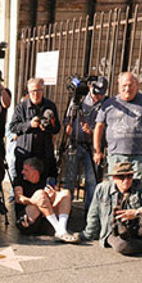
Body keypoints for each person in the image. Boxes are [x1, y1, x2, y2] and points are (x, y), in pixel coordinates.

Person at [62, 76, 109, 211]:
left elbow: (108, 129)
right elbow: (68, 117)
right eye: (96, 93)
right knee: (70, 178)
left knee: (91, 181)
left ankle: (90, 212)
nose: (97, 97)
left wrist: (92, 131)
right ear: (90, 87)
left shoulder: (106, 104)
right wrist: (68, 126)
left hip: (93, 147)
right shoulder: (79, 99)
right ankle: (66, 209)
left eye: (101, 94)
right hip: (75, 143)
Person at [10, 77, 60, 180]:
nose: (36, 94)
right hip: (26, 152)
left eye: (38, 91)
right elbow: (13, 127)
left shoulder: (50, 106)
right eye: (33, 91)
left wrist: (47, 127)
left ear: (43, 90)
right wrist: (29, 124)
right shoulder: (21, 107)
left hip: (44, 153)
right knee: (23, 183)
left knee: (44, 183)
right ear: (28, 92)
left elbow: (57, 128)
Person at [13, 156, 73, 239]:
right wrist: (35, 201)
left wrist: (52, 197)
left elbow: (51, 202)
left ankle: (62, 228)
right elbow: (19, 198)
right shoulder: (19, 181)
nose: (22, 172)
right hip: (28, 219)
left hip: (45, 219)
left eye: (26, 170)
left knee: (65, 193)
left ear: (35, 172)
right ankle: (59, 229)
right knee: (40, 194)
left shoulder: (45, 181)